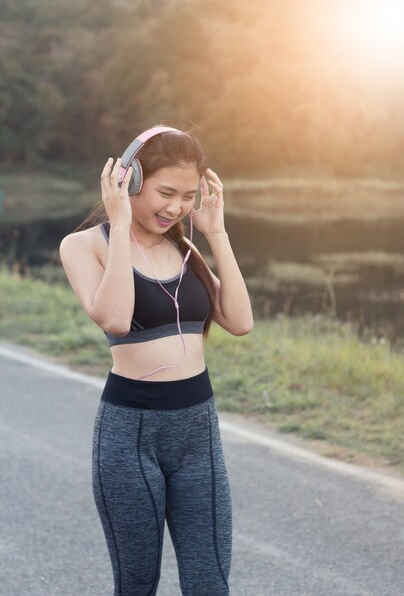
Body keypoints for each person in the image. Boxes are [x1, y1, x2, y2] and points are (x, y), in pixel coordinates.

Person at [59, 124, 254, 596]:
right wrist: (121, 223)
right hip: (130, 436)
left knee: (209, 583)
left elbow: (240, 320)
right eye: (166, 192)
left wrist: (217, 233)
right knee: (137, 583)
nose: (175, 208)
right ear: (131, 181)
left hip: (198, 433)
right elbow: (116, 318)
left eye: (188, 196)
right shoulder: (84, 246)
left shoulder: (185, 250)